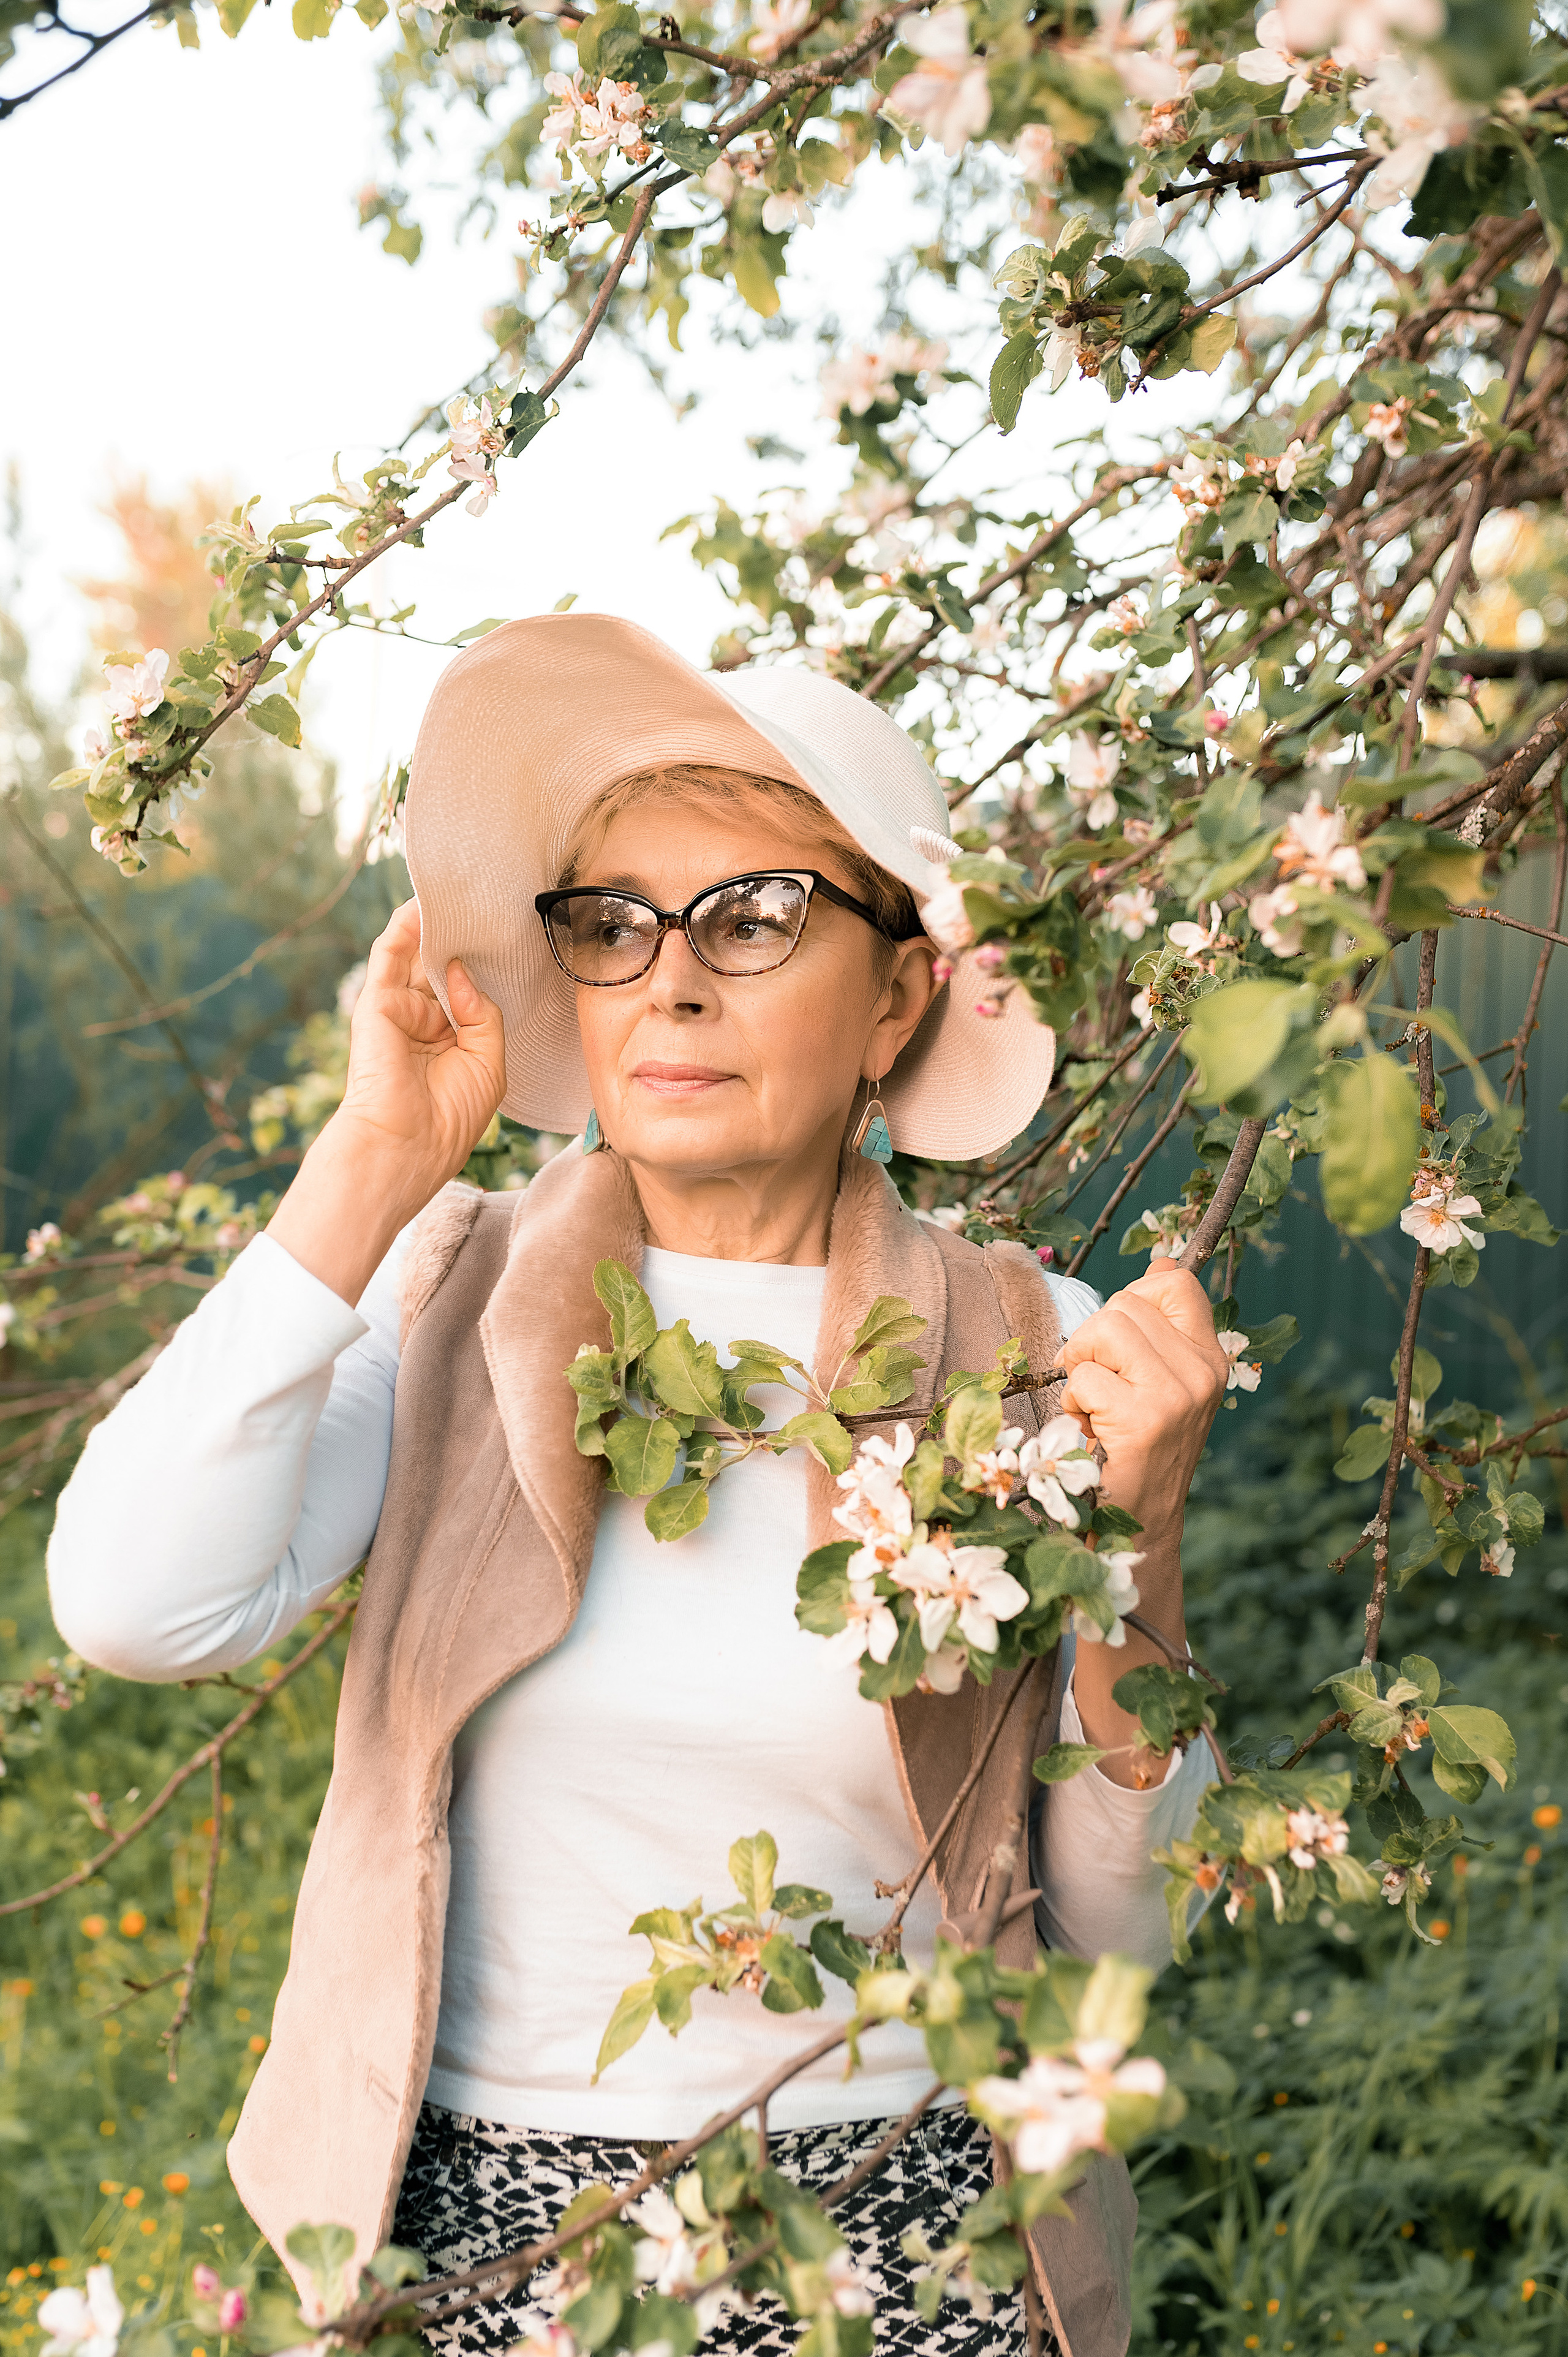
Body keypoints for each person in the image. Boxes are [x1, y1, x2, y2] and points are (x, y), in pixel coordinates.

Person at [48, 613, 1228, 2357]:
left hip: (916, 2242)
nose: (670, 978)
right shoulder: (446, 1295)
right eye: (612, 925)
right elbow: (136, 1607)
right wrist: (369, 1168)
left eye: (752, 917)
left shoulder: (1029, 1343)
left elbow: (1129, 1920)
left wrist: (1136, 1546)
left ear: (898, 993)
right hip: (484, 2243)